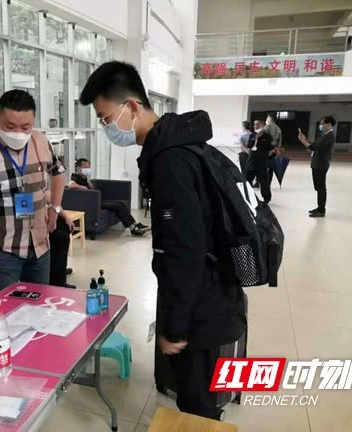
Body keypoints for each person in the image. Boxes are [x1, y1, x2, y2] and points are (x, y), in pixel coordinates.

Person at [79, 61, 246, 420]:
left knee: (196, 404)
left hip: (203, 301)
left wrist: (175, 326)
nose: (107, 128)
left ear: (132, 106)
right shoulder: (180, 144)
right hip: (211, 290)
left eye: (106, 118)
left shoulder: (171, 160)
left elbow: (184, 252)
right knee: (197, 394)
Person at [0, 90, 67, 295]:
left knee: (39, 304)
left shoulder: (41, 141)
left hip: (40, 245)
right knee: (4, 307)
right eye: (10, 126)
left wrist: (55, 208)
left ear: (33, 120)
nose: (18, 132)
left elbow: (59, 173)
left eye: (25, 127)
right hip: (4, 250)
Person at [69, 158, 150, 236]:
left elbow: (86, 184)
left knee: (120, 204)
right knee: (117, 206)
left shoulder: (84, 178)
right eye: (85, 168)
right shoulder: (75, 177)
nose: (87, 169)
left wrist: (88, 183)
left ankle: (135, 224)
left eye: (88, 167)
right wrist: (84, 187)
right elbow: (71, 185)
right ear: (78, 168)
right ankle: (132, 228)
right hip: (92, 205)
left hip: (96, 200)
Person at [298, 116, 336, 218]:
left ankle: (321, 209)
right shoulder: (323, 135)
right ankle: (319, 207)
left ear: (329, 124)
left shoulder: (330, 136)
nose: (321, 125)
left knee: (321, 187)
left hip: (321, 164)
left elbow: (315, 147)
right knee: (318, 187)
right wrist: (305, 139)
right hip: (316, 163)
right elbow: (314, 144)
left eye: (323, 123)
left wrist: (303, 142)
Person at [45, 190, 76, 288]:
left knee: (66, 226)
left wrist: (66, 218)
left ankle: (60, 269)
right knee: (61, 238)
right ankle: (58, 281)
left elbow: (55, 203)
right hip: (35, 223)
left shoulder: (43, 187)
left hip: (47, 216)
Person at [246, 120, 273, 204]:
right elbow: (249, 146)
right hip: (252, 161)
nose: (256, 126)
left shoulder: (268, 136)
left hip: (262, 162)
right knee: (247, 179)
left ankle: (266, 198)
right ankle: (247, 197)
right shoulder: (252, 135)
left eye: (258, 124)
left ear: (263, 125)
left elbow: (270, 149)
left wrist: (266, 158)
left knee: (263, 181)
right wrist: (256, 138)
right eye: (254, 125)